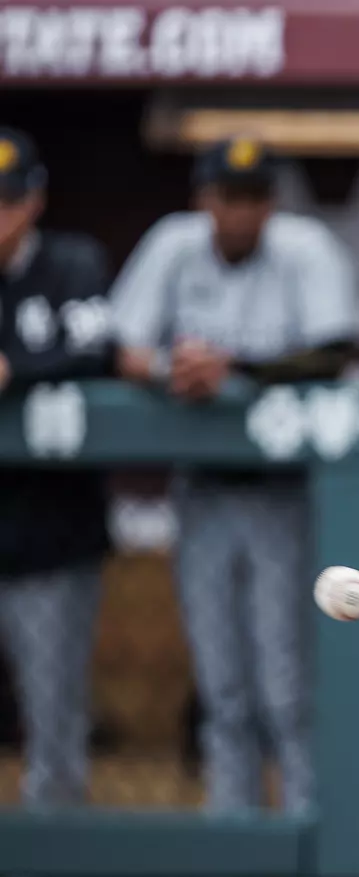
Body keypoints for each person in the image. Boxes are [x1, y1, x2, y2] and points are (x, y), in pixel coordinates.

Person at [110, 136, 356, 814]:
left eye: (253, 198)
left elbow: (335, 353)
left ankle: (309, 827)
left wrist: (236, 370)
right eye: (227, 197)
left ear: (270, 203)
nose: (239, 212)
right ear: (205, 200)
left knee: (285, 684)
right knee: (222, 685)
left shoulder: (302, 248)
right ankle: (234, 830)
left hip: (283, 491)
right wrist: (172, 370)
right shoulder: (173, 243)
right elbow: (120, 346)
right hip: (202, 487)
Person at [0, 127, 114, 806]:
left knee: (54, 715)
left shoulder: (72, 263)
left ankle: (56, 847)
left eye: (7, 201)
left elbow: (99, 349)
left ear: (34, 201)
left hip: (51, 533)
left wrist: (16, 370)